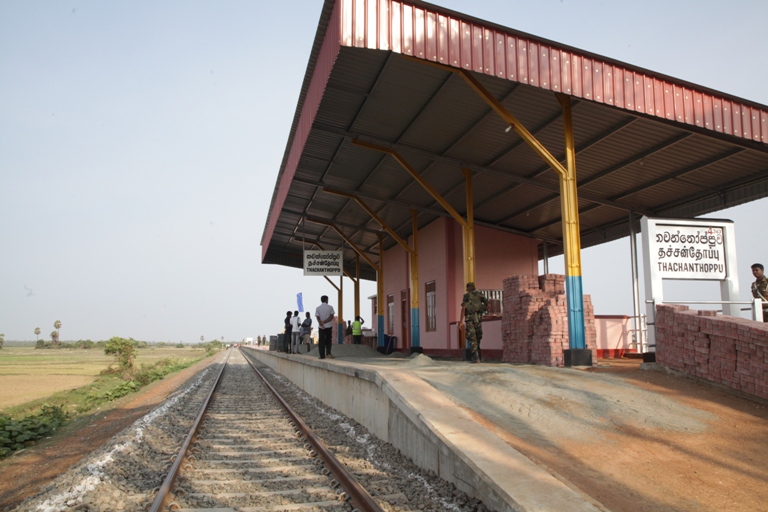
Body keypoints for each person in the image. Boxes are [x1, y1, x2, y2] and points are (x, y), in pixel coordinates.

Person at [460, 282, 489, 363]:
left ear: (468, 288)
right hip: (478, 319)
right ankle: (479, 356)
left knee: (472, 337)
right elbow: (488, 305)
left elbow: (463, 308)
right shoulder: (480, 295)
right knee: (478, 336)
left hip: (470, 319)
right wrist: (482, 310)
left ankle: (476, 358)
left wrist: (460, 321)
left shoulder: (466, 296)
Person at [315, 295, 335, 359]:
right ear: (326, 300)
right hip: (328, 326)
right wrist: (325, 322)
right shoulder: (330, 307)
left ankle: (322, 355)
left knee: (321, 341)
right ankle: (328, 353)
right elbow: (331, 316)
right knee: (328, 340)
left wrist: (321, 323)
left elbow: (317, 317)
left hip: (321, 327)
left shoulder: (318, 308)